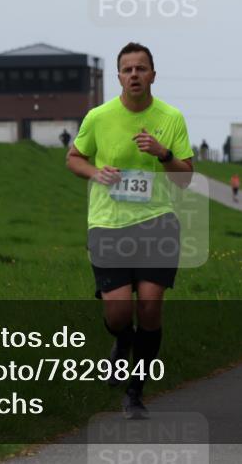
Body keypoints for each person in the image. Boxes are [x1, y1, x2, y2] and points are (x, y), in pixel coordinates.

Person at [65, 42, 194, 419]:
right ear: (118, 76)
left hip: (157, 222)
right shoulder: (99, 117)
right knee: (120, 312)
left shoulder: (171, 118)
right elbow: (73, 157)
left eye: (141, 68)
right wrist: (95, 173)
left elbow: (185, 179)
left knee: (151, 306)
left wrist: (163, 153)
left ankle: (135, 393)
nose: (134, 75)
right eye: (127, 69)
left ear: (153, 74)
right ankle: (122, 340)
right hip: (108, 223)